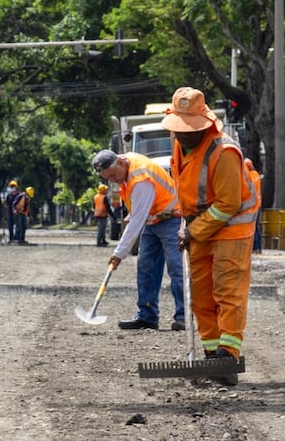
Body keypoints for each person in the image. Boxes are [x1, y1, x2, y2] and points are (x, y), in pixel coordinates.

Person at [162, 87, 259, 384]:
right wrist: (186, 223)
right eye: (179, 130)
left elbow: (228, 204)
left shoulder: (224, 152)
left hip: (232, 226)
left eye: (189, 130)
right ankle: (211, 355)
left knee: (227, 290)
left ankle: (228, 359)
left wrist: (194, 229)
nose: (183, 135)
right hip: (198, 225)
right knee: (200, 293)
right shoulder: (178, 141)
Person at [91, 148, 185, 332]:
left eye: (113, 175)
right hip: (153, 219)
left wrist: (119, 253)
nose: (113, 180)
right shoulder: (126, 164)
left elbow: (136, 223)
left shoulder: (140, 178)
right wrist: (134, 213)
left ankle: (183, 317)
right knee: (146, 267)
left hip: (171, 219)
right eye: (108, 178)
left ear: (120, 162)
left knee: (176, 268)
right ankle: (147, 316)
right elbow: (139, 212)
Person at [244, 158, 263, 254]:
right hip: (258, 204)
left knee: (252, 226)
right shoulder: (256, 175)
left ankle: (254, 247)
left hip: (251, 205)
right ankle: (259, 247)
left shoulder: (248, 176)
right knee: (257, 225)